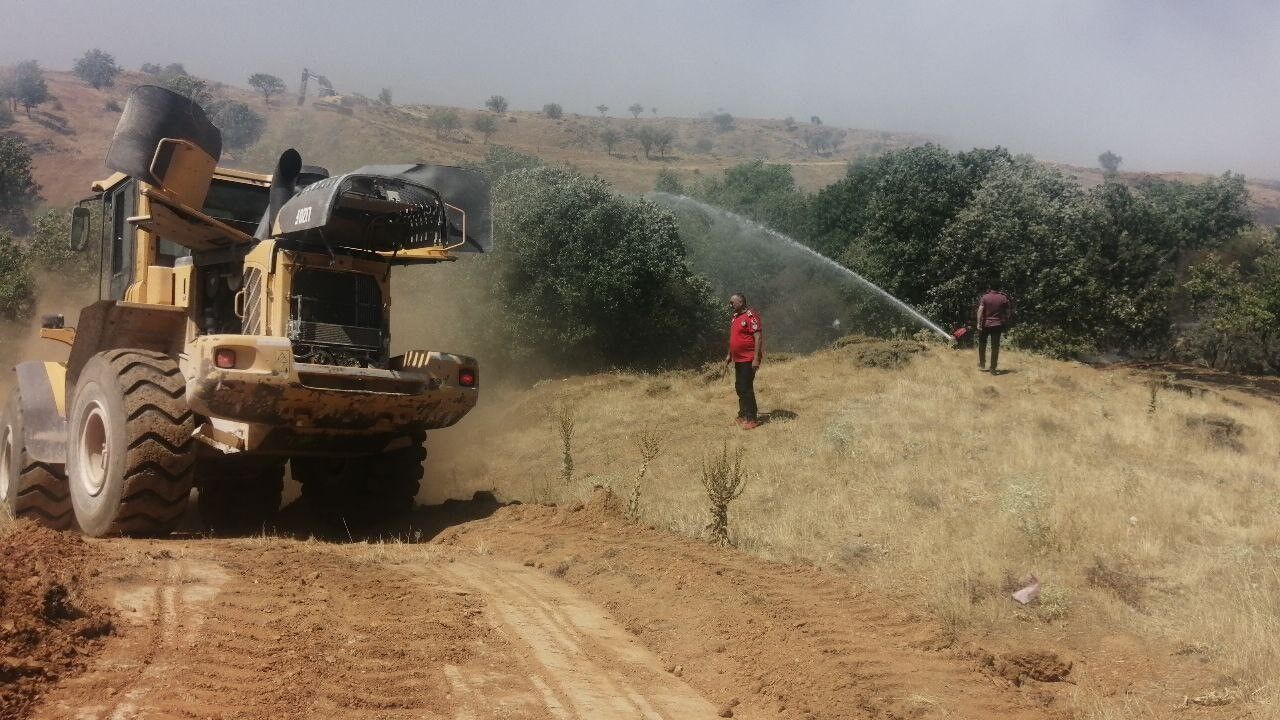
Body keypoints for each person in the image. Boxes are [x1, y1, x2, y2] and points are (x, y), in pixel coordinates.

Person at [725, 293, 763, 429]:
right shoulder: (735, 317)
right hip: (738, 359)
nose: (730, 305)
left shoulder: (751, 316)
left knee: (746, 387)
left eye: (732, 302)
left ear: (740, 302)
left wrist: (756, 358)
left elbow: (758, 337)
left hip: (748, 358)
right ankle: (742, 415)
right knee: (739, 387)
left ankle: (752, 418)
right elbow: (733, 337)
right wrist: (729, 354)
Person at [976, 285, 1012, 374]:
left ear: (990, 288)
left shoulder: (985, 297)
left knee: (982, 344)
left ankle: (982, 363)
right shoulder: (1003, 298)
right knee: (995, 347)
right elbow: (1008, 311)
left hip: (985, 324)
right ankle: (992, 368)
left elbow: (980, 310)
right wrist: (1005, 319)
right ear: (999, 288)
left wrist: (978, 323)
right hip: (997, 325)